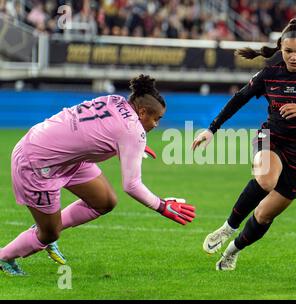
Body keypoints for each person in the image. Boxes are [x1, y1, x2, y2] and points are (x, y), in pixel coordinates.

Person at [0, 74, 196, 276]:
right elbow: (132, 185)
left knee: (105, 201)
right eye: (156, 119)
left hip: (58, 153)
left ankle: (43, 227)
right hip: (38, 163)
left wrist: (134, 148)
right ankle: (4, 256)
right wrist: (162, 206)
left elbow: (97, 129)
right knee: (50, 233)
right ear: (143, 111)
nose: (156, 124)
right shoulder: (133, 130)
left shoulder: (115, 100)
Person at [192, 19, 296, 271]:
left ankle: (233, 251)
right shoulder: (270, 72)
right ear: (281, 49)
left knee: (264, 215)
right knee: (266, 179)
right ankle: (227, 228)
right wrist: (212, 129)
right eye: (288, 52)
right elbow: (239, 98)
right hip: (272, 137)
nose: (294, 57)